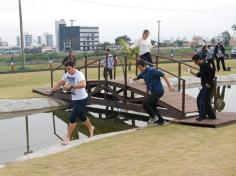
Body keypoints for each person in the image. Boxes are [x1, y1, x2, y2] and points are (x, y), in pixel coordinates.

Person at [45, 60, 94, 145]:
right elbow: (60, 83)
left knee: (72, 117)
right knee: (82, 117)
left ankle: (67, 137)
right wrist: (50, 90)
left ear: (73, 67)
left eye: (69, 69)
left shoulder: (79, 74)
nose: (67, 71)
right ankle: (91, 127)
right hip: (75, 99)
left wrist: (71, 86)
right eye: (66, 69)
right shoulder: (67, 74)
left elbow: (83, 85)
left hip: (82, 99)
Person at [133, 60, 175, 125]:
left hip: (158, 91)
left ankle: (153, 117)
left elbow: (163, 75)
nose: (139, 69)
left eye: (140, 67)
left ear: (145, 66)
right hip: (154, 92)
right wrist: (133, 79)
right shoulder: (142, 73)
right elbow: (137, 77)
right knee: (152, 106)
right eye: (138, 67)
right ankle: (161, 121)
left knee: (145, 104)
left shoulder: (152, 71)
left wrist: (170, 86)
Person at [189, 54, 216, 121]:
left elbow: (212, 73)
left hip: (208, 85)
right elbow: (200, 75)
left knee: (201, 100)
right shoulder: (202, 66)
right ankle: (211, 115)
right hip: (205, 86)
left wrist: (208, 83)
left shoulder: (205, 65)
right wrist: (191, 72)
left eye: (195, 62)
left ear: (198, 60)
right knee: (204, 100)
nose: (195, 63)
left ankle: (202, 115)